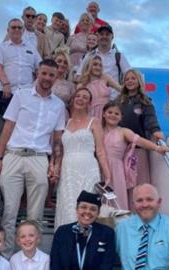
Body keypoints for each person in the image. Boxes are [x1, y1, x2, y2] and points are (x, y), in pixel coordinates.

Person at [0, 59, 65, 257]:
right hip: (14, 155)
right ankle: (5, 258)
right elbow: (7, 127)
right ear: (37, 74)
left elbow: (57, 139)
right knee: (9, 212)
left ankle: (31, 258)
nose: (47, 78)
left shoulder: (59, 105)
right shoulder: (21, 96)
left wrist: (55, 164)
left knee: (35, 215)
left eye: (51, 75)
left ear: (56, 77)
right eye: (44, 73)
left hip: (39, 158)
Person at [54, 87, 111, 229]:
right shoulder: (65, 122)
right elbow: (60, 150)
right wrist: (56, 167)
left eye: (85, 97)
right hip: (68, 169)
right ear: (73, 100)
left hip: (88, 167)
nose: (81, 99)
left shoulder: (94, 122)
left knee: (88, 207)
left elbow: (100, 150)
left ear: (89, 103)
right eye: (78, 96)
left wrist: (107, 173)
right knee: (68, 206)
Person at [101, 101, 169, 210]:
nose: (113, 115)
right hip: (99, 168)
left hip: (116, 170)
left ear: (121, 118)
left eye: (116, 114)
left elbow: (140, 141)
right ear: (104, 114)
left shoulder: (123, 131)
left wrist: (157, 148)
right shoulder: (98, 131)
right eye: (110, 112)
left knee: (117, 200)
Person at [116, 184, 169, 270]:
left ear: (159, 202)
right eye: (139, 200)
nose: (144, 205)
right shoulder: (121, 229)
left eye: (149, 199)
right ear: (133, 204)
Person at [118, 69, 164, 196]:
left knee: (139, 182)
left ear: (139, 81)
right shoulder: (119, 101)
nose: (130, 81)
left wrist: (156, 130)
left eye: (133, 78)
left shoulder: (145, 101)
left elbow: (150, 118)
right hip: (122, 149)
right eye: (127, 79)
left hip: (138, 149)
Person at [51, 190, 116, 270]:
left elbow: (107, 264)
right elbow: (55, 263)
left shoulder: (107, 233)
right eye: (83, 207)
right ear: (77, 209)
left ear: (98, 213)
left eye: (93, 209)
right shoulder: (62, 232)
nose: (87, 212)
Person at [77, 25, 131, 100]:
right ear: (97, 36)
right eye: (101, 34)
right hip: (92, 100)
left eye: (107, 34)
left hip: (113, 101)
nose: (104, 36)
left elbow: (129, 75)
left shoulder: (119, 56)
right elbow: (79, 75)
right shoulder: (89, 56)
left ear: (112, 37)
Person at [0, 18, 41, 98]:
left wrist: (36, 86)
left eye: (19, 27)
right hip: (8, 92)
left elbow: (40, 68)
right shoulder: (1, 48)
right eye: (13, 27)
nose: (16, 29)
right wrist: (6, 84)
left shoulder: (32, 48)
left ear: (23, 30)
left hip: (28, 92)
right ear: (8, 30)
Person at [78, 55, 121, 119]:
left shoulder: (105, 78)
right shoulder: (82, 85)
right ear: (88, 66)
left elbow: (121, 89)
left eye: (100, 65)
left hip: (106, 116)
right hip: (90, 116)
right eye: (95, 64)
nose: (98, 67)